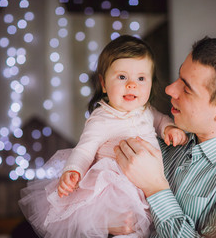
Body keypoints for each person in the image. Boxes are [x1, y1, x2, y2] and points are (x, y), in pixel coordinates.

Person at [19, 35, 187, 238]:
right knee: (128, 229)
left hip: (147, 185)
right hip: (115, 188)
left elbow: (161, 122)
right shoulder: (102, 118)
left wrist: (170, 129)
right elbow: (84, 149)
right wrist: (73, 171)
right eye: (122, 77)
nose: (132, 85)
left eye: (141, 78)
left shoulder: (147, 110)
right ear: (104, 84)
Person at [114, 37, 216, 237]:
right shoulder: (160, 134)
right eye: (179, 77)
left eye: (187, 89)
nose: (170, 90)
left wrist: (155, 188)